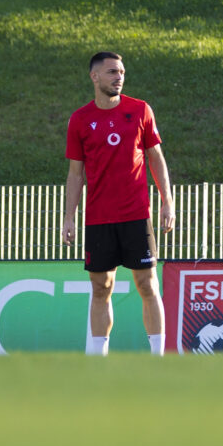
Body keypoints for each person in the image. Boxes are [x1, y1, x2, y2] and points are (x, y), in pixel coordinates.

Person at [61, 52, 175, 355]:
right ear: (95, 77)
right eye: (112, 72)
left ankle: (158, 358)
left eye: (122, 71)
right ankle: (98, 360)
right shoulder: (80, 119)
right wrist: (69, 217)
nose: (119, 77)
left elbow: (156, 158)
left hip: (136, 215)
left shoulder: (140, 110)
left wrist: (167, 202)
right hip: (98, 218)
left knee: (148, 285)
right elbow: (75, 173)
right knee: (101, 288)